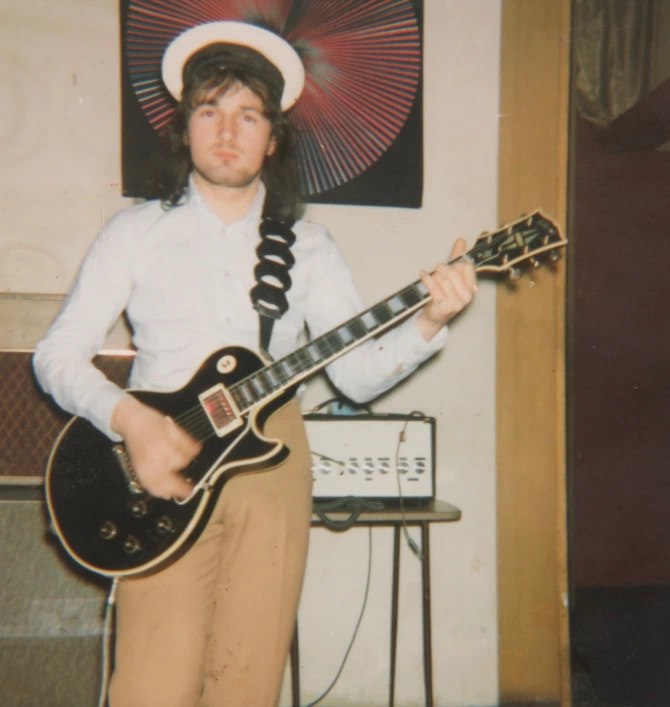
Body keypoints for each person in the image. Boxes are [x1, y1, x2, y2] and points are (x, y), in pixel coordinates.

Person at [33, 20, 477, 707]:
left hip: (272, 458)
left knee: (248, 680)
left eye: (249, 115)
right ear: (184, 128)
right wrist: (131, 421)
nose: (227, 131)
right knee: (152, 683)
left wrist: (429, 320)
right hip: (159, 458)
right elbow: (56, 354)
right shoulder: (133, 233)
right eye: (209, 111)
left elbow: (356, 376)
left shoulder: (310, 245)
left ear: (273, 138)